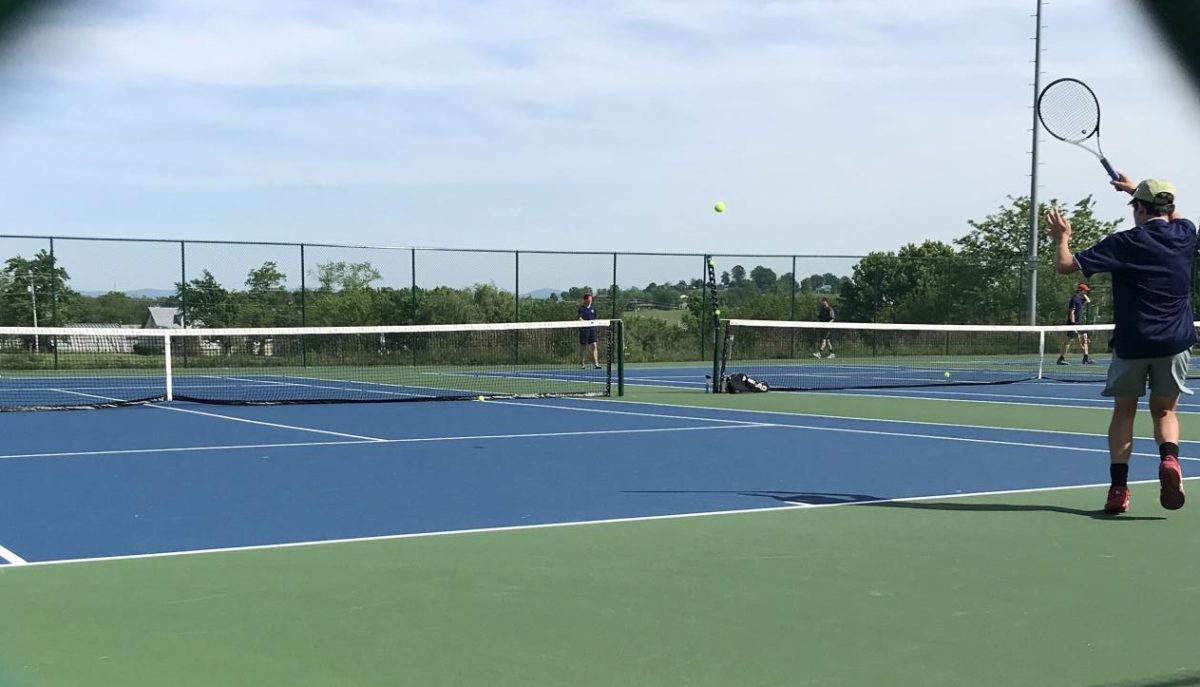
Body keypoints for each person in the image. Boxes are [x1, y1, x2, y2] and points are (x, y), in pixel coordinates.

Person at [1048, 173, 1195, 514]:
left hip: (1133, 342)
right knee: (1165, 411)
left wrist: (1062, 237)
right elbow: (1170, 214)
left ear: (1140, 208)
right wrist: (1136, 190)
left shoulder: (1125, 242)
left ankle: (1118, 490)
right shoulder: (1186, 234)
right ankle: (1170, 459)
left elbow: (1065, 266)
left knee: (1124, 411)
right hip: (1175, 342)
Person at [1056, 283, 1094, 366]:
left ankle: (1086, 359)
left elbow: (1089, 301)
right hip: (1072, 323)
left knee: (1085, 339)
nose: (1086, 292)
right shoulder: (1074, 299)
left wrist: (1084, 294)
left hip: (1079, 324)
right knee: (1068, 341)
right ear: (1080, 290)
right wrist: (1073, 324)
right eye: (1085, 290)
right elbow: (1072, 312)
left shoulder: (1080, 299)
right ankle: (1061, 359)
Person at [578, 293, 601, 369]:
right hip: (584, 330)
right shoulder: (581, 309)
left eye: (591, 299)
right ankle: (583, 364)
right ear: (585, 300)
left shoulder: (593, 308)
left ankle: (596, 364)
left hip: (592, 330)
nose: (590, 301)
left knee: (594, 345)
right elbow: (580, 318)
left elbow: (595, 318)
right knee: (584, 347)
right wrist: (586, 323)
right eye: (589, 299)